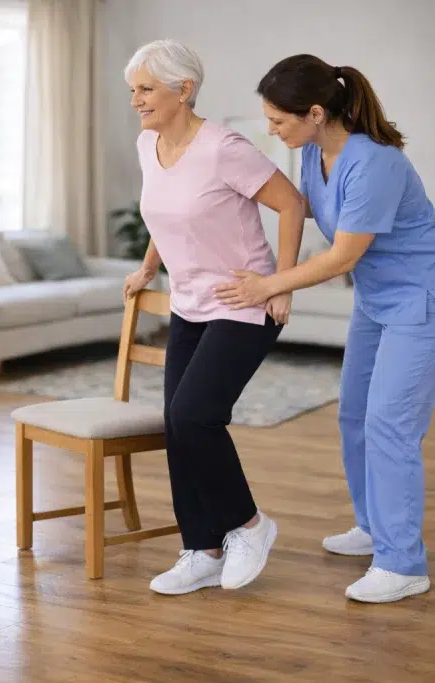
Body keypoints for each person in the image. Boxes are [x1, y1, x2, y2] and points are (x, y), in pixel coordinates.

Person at [215, 55, 435, 603]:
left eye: (279, 120)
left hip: (421, 297)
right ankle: (373, 526)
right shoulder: (314, 153)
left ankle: (402, 563)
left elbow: (343, 255)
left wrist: (271, 285)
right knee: (355, 415)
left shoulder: (375, 162)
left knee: (390, 425)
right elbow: (303, 211)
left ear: (316, 113)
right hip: (376, 298)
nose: (272, 130)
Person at [121, 40, 307, 595]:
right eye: (133, 90)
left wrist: (281, 283)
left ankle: (248, 525)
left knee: (195, 416)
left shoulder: (224, 148)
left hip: (243, 303)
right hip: (189, 303)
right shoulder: (148, 143)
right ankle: (201, 548)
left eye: (146, 89)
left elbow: (292, 203)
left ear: (184, 90)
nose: (136, 100)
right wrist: (148, 267)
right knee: (177, 425)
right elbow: (164, 215)